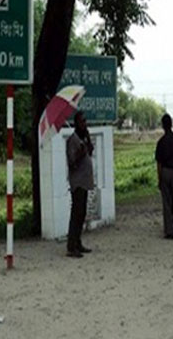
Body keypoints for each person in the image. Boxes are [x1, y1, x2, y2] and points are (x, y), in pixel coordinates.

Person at [66, 111, 94, 258]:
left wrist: (88, 143)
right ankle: (71, 246)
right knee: (76, 213)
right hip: (77, 182)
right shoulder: (73, 140)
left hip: (85, 181)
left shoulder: (83, 138)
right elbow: (72, 162)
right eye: (82, 121)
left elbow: (90, 152)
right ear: (76, 123)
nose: (85, 124)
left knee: (82, 213)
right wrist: (81, 152)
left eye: (85, 121)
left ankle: (78, 242)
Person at [155, 114, 173, 239]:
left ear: (163, 126)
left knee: (167, 202)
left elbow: (159, 163)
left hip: (166, 171)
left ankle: (169, 231)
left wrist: (159, 178)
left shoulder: (161, 142)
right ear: (171, 124)